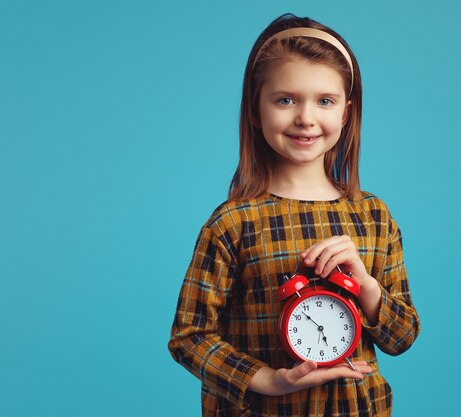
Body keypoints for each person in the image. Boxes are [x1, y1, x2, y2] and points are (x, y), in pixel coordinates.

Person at [168, 13, 420, 417]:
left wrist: (367, 285)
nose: (305, 117)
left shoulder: (373, 216)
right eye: (286, 99)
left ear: (345, 112)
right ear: (256, 109)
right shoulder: (233, 223)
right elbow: (189, 335)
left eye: (324, 100)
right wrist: (265, 378)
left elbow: (402, 336)